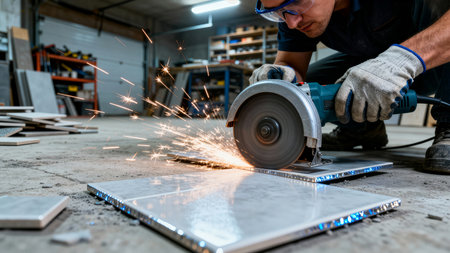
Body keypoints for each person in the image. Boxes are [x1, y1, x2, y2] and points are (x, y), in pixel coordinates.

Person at [249, 0, 450, 173]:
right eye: (276, 12)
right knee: (306, 90)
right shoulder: (294, 16)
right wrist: (280, 76)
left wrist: (402, 60)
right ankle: (363, 130)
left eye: (297, 1)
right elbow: (291, 65)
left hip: (439, 62)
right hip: (373, 67)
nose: (291, 23)